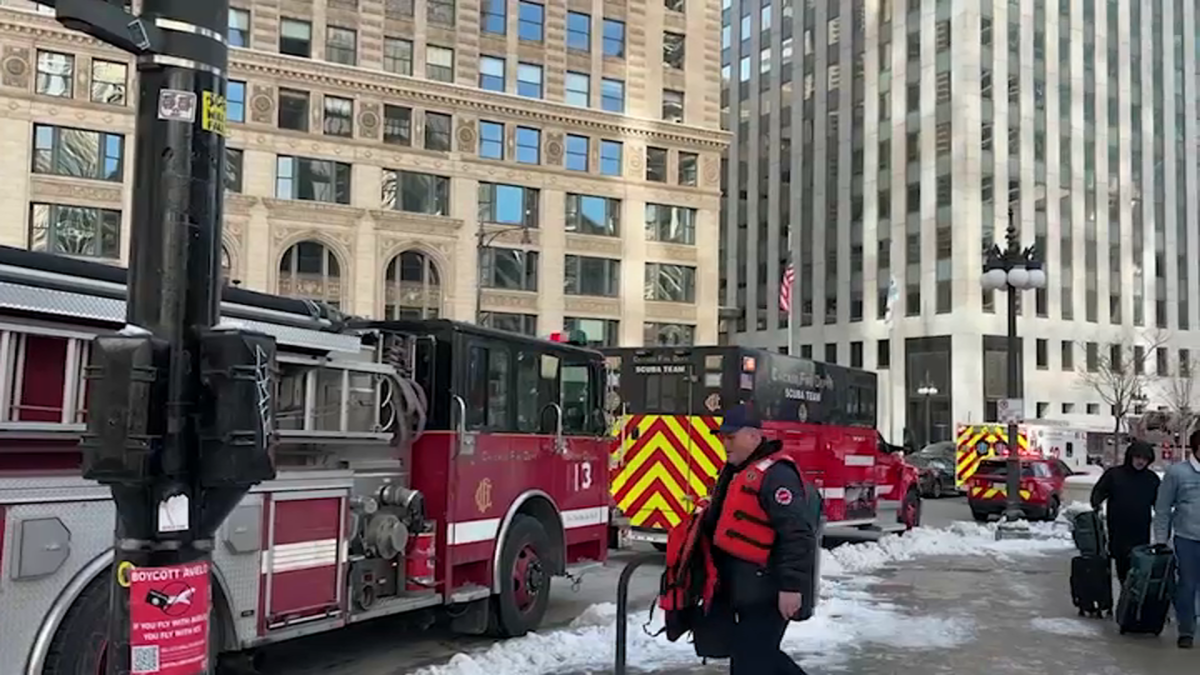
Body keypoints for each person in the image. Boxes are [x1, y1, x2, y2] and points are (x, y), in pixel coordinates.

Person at [702, 404, 818, 674]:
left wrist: (791, 587)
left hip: (768, 590)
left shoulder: (777, 475)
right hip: (745, 590)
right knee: (753, 658)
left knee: (752, 660)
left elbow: (797, 534)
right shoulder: (738, 470)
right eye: (723, 438)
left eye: (731, 438)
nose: (725, 444)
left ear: (754, 437)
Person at [1153, 428, 1200, 649]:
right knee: (1187, 585)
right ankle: (1186, 630)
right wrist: (1161, 539)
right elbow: (1163, 508)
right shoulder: (1178, 473)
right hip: (1187, 538)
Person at [1090, 440, 1161, 584]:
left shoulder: (1151, 479)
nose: (1141, 462)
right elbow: (1099, 491)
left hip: (1140, 532)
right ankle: (1125, 598)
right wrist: (1096, 503)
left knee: (1139, 571)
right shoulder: (1114, 475)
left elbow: (1160, 504)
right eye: (1138, 457)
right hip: (1118, 531)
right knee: (1123, 570)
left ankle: (1134, 602)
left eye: (1145, 459)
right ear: (1130, 457)